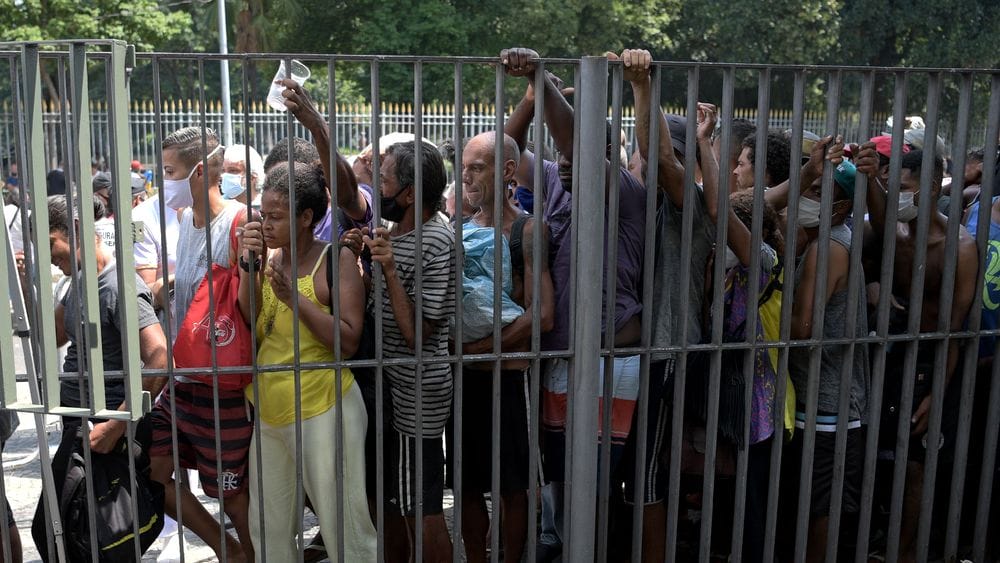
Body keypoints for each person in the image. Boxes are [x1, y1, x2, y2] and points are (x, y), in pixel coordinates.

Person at [502, 47, 647, 561]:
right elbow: (504, 152)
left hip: (610, 362)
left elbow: (572, 140)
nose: (564, 160)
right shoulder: (556, 184)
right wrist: (529, 94)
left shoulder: (624, 191)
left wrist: (543, 81)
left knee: (599, 484)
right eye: (559, 154)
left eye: (575, 153)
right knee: (559, 478)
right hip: (561, 360)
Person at [237, 161, 377, 560]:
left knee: (344, 526)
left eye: (276, 216)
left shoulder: (335, 260)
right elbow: (250, 320)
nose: (266, 224)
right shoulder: (270, 259)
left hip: (324, 408)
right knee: (268, 526)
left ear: (306, 217)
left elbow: (348, 340)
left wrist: (293, 300)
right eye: (263, 214)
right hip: (270, 409)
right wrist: (250, 265)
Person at [26, 194, 168, 559]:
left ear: (74, 230)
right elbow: (53, 335)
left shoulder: (116, 286)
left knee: (88, 536)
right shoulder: (80, 283)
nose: (50, 256)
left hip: (105, 430)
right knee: (64, 532)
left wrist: (117, 425)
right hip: (83, 426)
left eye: (51, 244)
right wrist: (27, 282)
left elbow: (159, 358)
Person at [856, 145, 978, 563]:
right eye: (891, 189)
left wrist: (936, 394)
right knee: (871, 454)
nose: (896, 197)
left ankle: (903, 552)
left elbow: (954, 332)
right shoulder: (892, 232)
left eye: (904, 189)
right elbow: (857, 254)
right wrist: (874, 286)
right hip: (885, 355)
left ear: (930, 188)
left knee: (916, 465)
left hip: (930, 362)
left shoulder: (960, 248)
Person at [146, 126, 254, 562]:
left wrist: (249, 264)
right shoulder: (183, 220)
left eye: (169, 170)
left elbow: (248, 307)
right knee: (155, 469)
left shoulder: (239, 221)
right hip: (182, 375)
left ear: (200, 171)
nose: (163, 178)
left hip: (222, 382)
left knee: (232, 493)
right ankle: (228, 550)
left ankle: (255, 552)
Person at [451, 131, 555, 563]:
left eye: (477, 168)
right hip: (464, 383)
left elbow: (542, 315)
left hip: (510, 383)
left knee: (514, 486)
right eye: (464, 168)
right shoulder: (457, 231)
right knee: (467, 485)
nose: (467, 177)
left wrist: (477, 350)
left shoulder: (529, 230)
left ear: (509, 171)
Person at [696, 102, 790, 563]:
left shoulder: (763, 261)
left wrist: (701, 143)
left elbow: (717, 209)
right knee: (729, 495)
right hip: (731, 394)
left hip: (756, 403)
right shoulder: (730, 268)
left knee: (752, 506)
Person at [356, 139, 455, 562]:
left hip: (418, 390)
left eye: (385, 180)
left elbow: (418, 333)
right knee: (392, 501)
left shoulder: (437, 241)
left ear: (411, 193)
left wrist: (391, 268)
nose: (377, 187)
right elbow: (379, 307)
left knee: (423, 507)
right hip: (389, 387)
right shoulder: (398, 231)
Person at [777, 140, 870, 563]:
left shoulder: (827, 246)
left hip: (827, 401)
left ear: (841, 207)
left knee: (822, 503)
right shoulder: (823, 239)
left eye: (816, 194)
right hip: (819, 395)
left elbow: (802, 326)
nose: (805, 199)